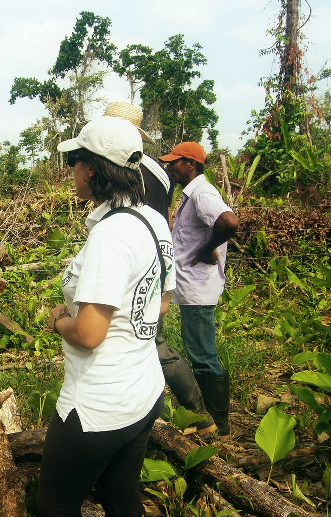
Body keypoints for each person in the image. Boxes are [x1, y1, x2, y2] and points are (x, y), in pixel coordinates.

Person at [37, 116, 175, 517]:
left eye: (74, 162)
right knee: (122, 503)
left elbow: (89, 334)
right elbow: (161, 302)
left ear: (92, 168)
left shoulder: (111, 236)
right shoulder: (152, 220)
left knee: (58, 509)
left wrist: (59, 321)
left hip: (99, 403)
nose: (71, 172)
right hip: (143, 390)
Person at [102, 103, 216, 434]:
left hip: (130, 262)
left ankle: (197, 415)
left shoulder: (124, 168)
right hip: (156, 260)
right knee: (144, 340)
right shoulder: (158, 171)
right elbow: (164, 219)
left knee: (149, 342)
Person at [159, 142, 239, 436]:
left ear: (190, 164)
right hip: (193, 287)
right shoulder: (191, 195)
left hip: (198, 288)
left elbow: (229, 222)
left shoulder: (202, 194)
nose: (170, 167)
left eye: (175, 162)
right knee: (199, 351)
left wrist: (207, 250)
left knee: (203, 354)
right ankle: (212, 421)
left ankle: (217, 423)